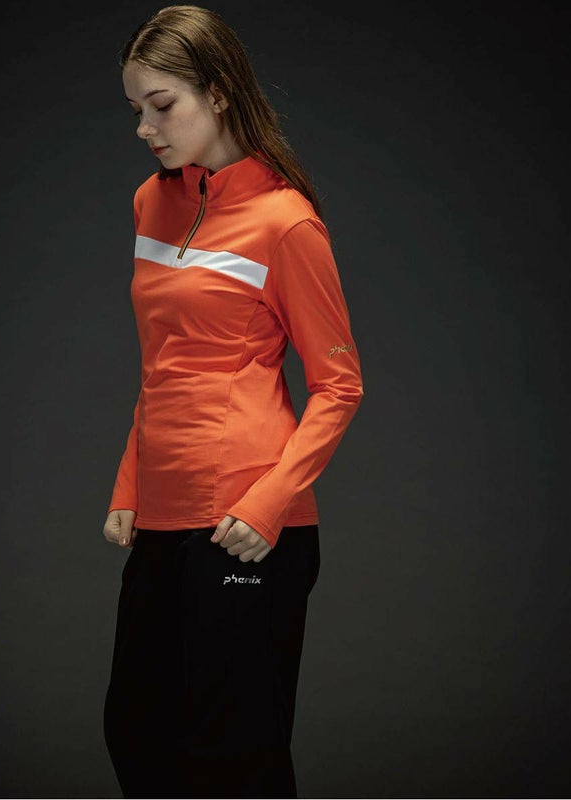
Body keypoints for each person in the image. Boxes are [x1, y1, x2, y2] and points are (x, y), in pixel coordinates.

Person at [102, 5, 363, 798]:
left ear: (217, 93)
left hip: (245, 523)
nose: (145, 128)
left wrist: (269, 505)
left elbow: (340, 384)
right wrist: (129, 485)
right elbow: (165, 365)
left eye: (162, 105)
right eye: (136, 109)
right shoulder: (151, 203)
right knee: (137, 732)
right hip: (163, 513)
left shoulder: (286, 221)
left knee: (234, 757)